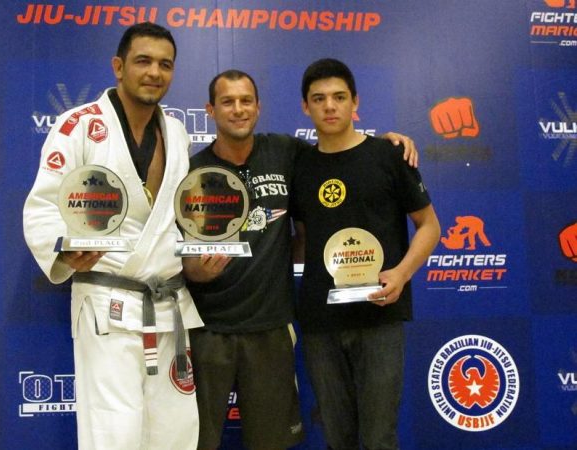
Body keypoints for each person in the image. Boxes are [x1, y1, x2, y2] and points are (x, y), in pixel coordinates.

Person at [182, 69, 420, 450]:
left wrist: (388, 145)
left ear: (259, 107)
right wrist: (193, 269)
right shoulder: (191, 171)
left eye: (246, 101)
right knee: (195, 442)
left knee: (274, 443)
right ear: (210, 109)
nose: (238, 110)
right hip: (207, 328)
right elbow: (176, 251)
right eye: (228, 102)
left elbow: (342, 153)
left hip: (271, 327)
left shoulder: (287, 152)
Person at [23, 23, 203, 450]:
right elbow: (44, 205)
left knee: (174, 431)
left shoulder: (176, 132)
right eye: (143, 61)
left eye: (165, 64)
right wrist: (66, 252)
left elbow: (175, 217)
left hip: (168, 305)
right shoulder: (78, 126)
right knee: (114, 433)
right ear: (118, 67)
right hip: (107, 304)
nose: (155, 72)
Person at [291, 58, 441, 450]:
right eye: (319, 98)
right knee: (338, 439)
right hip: (321, 320)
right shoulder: (298, 166)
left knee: (378, 438)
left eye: (339, 97)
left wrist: (402, 273)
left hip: (380, 313)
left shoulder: (390, 155)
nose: (330, 106)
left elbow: (430, 227)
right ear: (305, 107)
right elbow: (300, 236)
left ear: (355, 101)